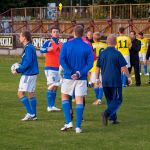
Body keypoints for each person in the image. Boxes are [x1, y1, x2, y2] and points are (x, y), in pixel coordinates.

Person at [60, 25, 94, 133]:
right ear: (83, 34)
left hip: (68, 77)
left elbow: (62, 60)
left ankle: (68, 122)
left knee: (65, 97)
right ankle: (78, 127)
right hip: (81, 77)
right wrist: (79, 73)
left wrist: (70, 72)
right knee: (79, 100)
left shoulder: (66, 45)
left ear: (73, 33)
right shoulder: (87, 46)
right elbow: (90, 63)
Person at [96, 34, 132, 126]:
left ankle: (113, 118)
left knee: (110, 100)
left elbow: (97, 67)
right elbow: (123, 67)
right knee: (118, 99)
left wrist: (97, 78)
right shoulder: (117, 53)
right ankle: (106, 113)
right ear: (115, 43)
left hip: (105, 80)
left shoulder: (102, 53)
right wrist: (129, 77)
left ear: (107, 42)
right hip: (115, 80)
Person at [12, 31, 39, 121]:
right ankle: (34, 115)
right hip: (32, 73)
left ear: (24, 37)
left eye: (20, 36)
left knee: (20, 93)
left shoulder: (29, 48)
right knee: (31, 93)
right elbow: (26, 61)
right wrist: (20, 64)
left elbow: (28, 63)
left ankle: (30, 113)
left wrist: (18, 70)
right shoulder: (29, 47)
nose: (19, 38)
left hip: (28, 74)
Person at [40, 26, 61, 112]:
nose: (55, 33)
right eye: (54, 31)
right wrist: (48, 49)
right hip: (50, 67)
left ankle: (52, 105)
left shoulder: (60, 43)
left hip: (58, 68)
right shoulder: (49, 42)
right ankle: (49, 106)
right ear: (51, 33)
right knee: (51, 86)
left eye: (57, 31)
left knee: (55, 86)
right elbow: (41, 49)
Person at [89, 32, 107, 105]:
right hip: (103, 65)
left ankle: (98, 99)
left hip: (94, 66)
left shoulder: (91, 45)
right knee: (101, 83)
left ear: (93, 38)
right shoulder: (105, 45)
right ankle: (98, 99)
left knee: (96, 83)